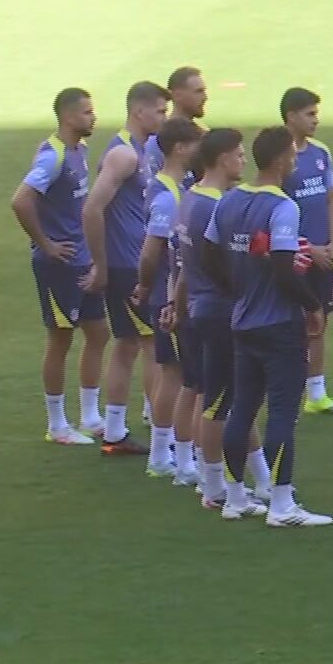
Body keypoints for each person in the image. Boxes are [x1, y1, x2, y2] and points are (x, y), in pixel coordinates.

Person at [203, 127, 332, 527]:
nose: (295, 160)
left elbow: (209, 253)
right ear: (279, 159)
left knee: (242, 408)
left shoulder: (227, 201)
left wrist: (237, 288)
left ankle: (236, 497)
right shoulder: (284, 207)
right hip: (278, 325)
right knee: (281, 413)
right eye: (292, 154)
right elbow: (283, 269)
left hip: (242, 321)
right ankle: (281, 504)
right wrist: (312, 306)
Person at [174, 128, 273, 514]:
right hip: (221, 311)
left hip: (202, 308)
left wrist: (178, 305)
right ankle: (216, 489)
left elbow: (184, 264)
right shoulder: (217, 206)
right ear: (222, 159)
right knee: (218, 403)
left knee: (232, 398)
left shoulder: (190, 199)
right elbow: (225, 264)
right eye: (239, 154)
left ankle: (260, 480)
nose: (244, 161)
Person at [10, 87, 109, 445]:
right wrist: (47, 243)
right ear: (68, 117)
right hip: (60, 264)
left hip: (81, 258)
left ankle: (90, 415)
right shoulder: (52, 157)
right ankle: (57, 425)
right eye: (86, 112)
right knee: (61, 338)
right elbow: (21, 201)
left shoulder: (79, 150)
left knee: (99, 333)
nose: (93, 117)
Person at [79, 81, 166, 456]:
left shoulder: (142, 150)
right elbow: (92, 208)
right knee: (153, 346)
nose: (164, 117)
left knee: (129, 344)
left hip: (130, 262)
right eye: (160, 111)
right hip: (128, 266)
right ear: (139, 112)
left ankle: (115, 432)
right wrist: (100, 264)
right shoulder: (124, 156)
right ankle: (167, 435)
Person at [135, 115, 205, 484]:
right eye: (196, 145)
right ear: (180, 149)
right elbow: (151, 251)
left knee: (177, 374)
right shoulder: (167, 196)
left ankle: (166, 456)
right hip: (170, 298)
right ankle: (175, 458)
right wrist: (149, 291)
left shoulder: (176, 187)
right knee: (181, 377)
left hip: (172, 296)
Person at [281, 87, 333, 416]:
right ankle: (291, 391)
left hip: (323, 252)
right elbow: (272, 212)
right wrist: (310, 248)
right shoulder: (281, 157)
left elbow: (331, 198)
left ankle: (317, 394)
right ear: (291, 116)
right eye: (309, 114)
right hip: (294, 256)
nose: (316, 120)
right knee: (294, 323)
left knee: (318, 320)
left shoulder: (321, 153)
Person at [145, 65, 208, 180]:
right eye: (198, 92)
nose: (205, 97)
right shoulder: (160, 138)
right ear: (177, 95)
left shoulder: (202, 131)